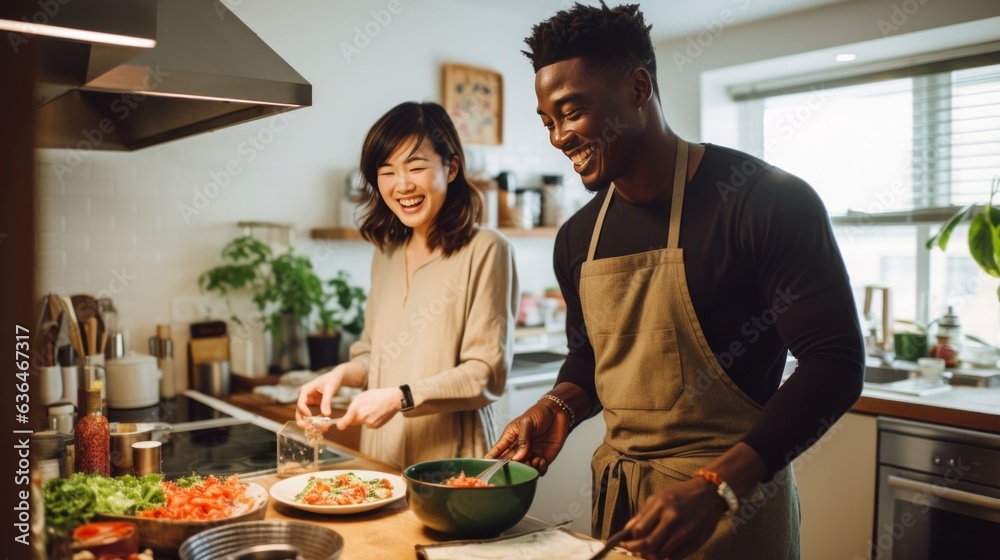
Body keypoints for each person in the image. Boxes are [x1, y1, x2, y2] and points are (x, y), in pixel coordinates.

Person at [487, 3, 865, 559]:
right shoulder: (578, 237)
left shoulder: (765, 202)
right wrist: (560, 405)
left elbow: (835, 361)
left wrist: (717, 487)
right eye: (548, 121)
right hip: (623, 510)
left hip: (737, 508)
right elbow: (591, 358)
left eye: (572, 112)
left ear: (638, 88)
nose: (559, 138)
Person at [297, 101, 519, 471]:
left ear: (451, 168)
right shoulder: (385, 254)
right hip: (380, 458)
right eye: (387, 172)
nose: (402, 185)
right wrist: (338, 375)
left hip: (451, 463)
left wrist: (400, 398)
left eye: (416, 167)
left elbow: (485, 374)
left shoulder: (487, 250)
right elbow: (372, 357)